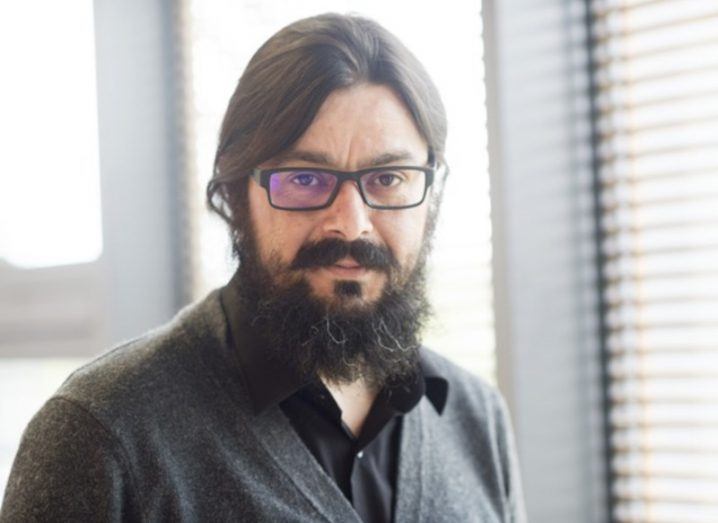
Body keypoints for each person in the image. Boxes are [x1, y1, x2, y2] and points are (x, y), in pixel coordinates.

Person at [1, 13, 525, 523]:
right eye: (304, 179)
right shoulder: (103, 433)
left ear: (430, 194)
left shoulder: (475, 419)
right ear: (236, 194)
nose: (351, 225)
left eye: (388, 179)